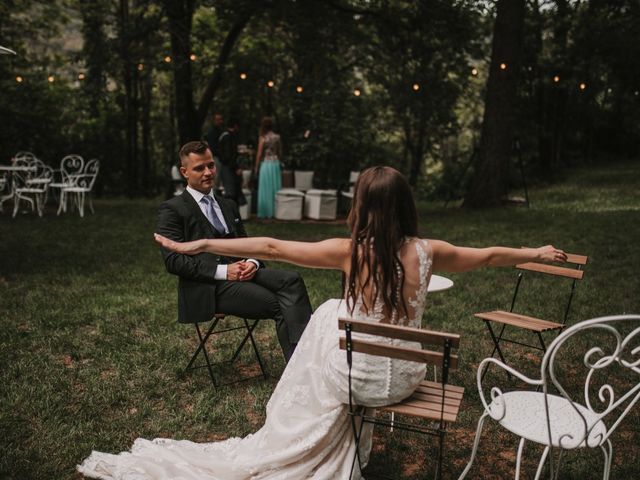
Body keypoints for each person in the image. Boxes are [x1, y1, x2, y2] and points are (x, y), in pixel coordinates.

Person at [78, 166, 567, 479]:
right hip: (405, 380)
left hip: (359, 379)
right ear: (406, 204)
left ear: (364, 207)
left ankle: (297, 431)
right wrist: (536, 250)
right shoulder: (429, 251)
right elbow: (488, 256)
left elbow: (269, 247)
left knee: (326, 314)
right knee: (333, 316)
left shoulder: (350, 252)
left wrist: (200, 245)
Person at [154, 141, 311, 363]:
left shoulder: (227, 205)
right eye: (199, 168)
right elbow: (174, 262)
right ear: (184, 172)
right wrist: (224, 271)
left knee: (292, 280)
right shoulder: (172, 209)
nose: (208, 172)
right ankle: (299, 367)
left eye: (211, 165)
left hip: (244, 273)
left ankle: (307, 360)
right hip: (209, 287)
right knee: (279, 303)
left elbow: (248, 244)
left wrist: (253, 263)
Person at [255, 116, 282, 218]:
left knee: (265, 188)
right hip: (275, 164)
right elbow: (280, 152)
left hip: (266, 164)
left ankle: (265, 212)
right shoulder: (277, 137)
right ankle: (276, 211)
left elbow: (259, 153)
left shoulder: (262, 138)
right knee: (275, 188)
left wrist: (256, 167)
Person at [217, 117, 246, 206]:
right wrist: (236, 167)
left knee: (234, 193)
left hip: (229, 166)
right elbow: (228, 155)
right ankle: (231, 217)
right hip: (229, 168)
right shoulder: (228, 137)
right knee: (231, 193)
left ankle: (234, 217)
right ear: (235, 126)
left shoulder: (225, 136)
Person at [204, 112, 225, 188]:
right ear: (214, 121)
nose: (220, 121)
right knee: (215, 180)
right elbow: (212, 147)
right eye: (218, 120)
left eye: (221, 119)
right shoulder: (212, 133)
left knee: (219, 181)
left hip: (220, 158)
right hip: (216, 158)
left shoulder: (221, 131)